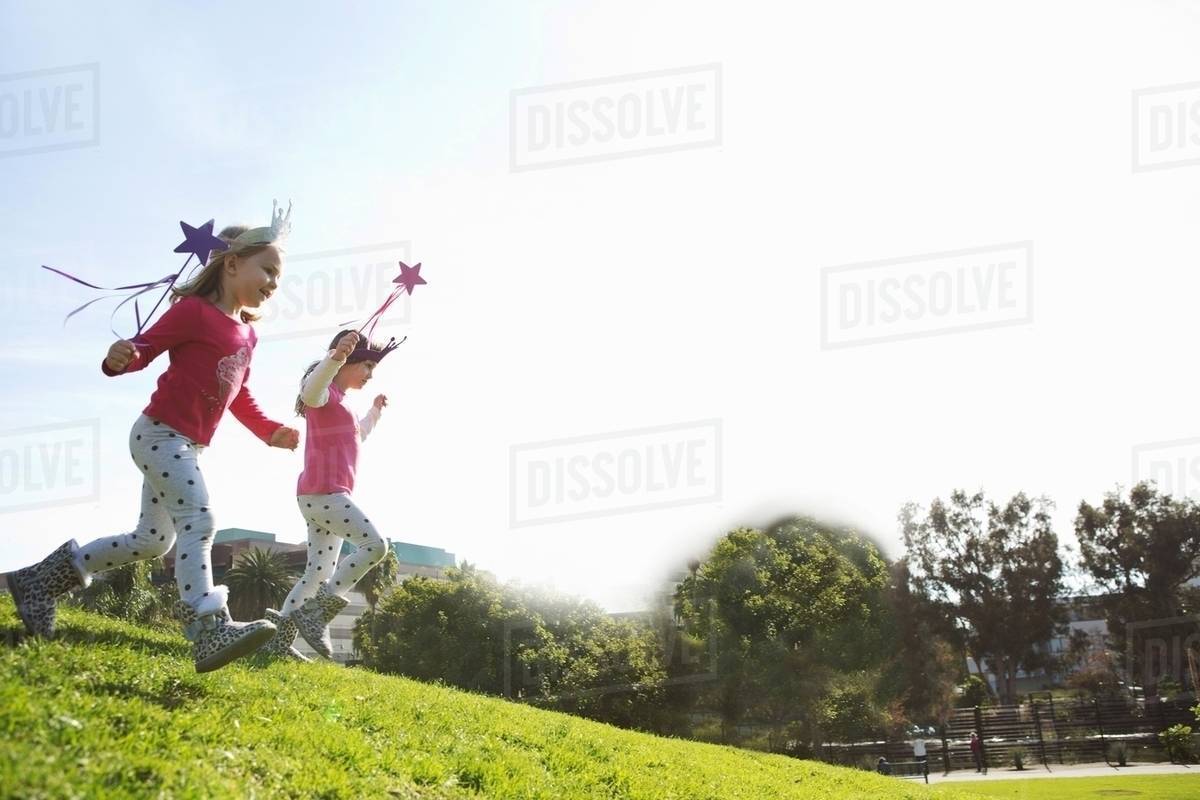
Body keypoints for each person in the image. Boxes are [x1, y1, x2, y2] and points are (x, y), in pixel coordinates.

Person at [6, 202, 300, 673]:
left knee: (151, 540)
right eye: (267, 269)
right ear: (230, 264)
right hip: (160, 435)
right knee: (200, 520)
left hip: (185, 445)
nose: (273, 283)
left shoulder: (247, 336)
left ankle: (41, 581)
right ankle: (208, 628)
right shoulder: (194, 313)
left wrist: (270, 431)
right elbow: (146, 347)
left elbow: (238, 394)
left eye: (278, 278)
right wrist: (122, 356)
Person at [256, 329, 397, 660]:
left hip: (318, 497)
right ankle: (318, 613)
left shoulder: (343, 405)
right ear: (347, 362)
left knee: (316, 573)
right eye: (366, 367)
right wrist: (334, 357)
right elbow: (310, 390)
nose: (369, 376)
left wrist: (375, 412)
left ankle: (277, 641)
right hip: (325, 496)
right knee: (376, 546)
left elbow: (358, 433)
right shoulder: (323, 396)